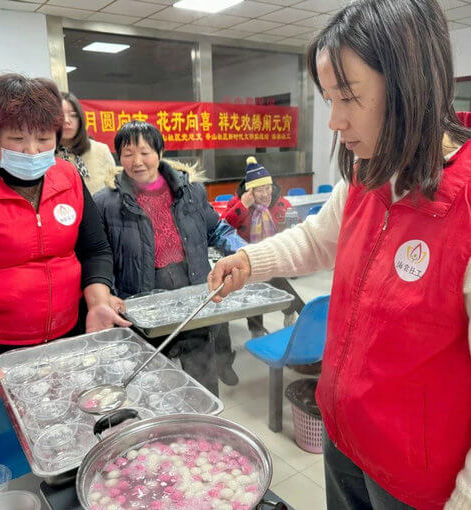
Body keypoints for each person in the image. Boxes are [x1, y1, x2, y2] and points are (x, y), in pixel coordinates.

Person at [208, 1, 471, 509]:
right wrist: (251, 262)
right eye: (328, 98)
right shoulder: (369, 169)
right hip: (344, 434)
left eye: (347, 97)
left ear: (411, 84)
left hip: (416, 480)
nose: (333, 122)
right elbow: (317, 238)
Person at [0, 74, 129, 397]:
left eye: (42, 138)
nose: (31, 150)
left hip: (70, 334)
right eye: (17, 139)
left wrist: (97, 302)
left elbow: (95, 248)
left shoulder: (67, 177)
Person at [95, 121, 244, 396]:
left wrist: (244, 253)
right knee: (154, 386)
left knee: (203, 384)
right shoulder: (106, 203)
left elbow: (216, 229)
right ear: (119, 157)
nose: (137, 161)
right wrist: (108, 294)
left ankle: (205, 431)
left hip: (193, 300)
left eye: (145, 151)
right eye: (127, 153)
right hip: (143, 306)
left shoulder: (191, 192)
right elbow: (99, 255)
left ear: (160, 153)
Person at [222, 156, 303, 336]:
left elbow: (296, 227)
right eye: (260, 190)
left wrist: (290, 226)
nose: (266, 194)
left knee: (283, 288)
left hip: (272, 258)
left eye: (268, 189)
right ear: (250, 192)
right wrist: (243, 205)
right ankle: (256, 330)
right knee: (254, 292)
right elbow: (223, 228)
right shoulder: (239, 203)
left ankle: (294, 316)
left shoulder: (279, 203)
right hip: (245, 260)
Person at [57, 92, 116, 195]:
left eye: (73, 115)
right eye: (61, 115)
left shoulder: (100, 150)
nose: (67, 121)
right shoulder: (45, 154)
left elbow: (114, 190)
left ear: (80, 119)